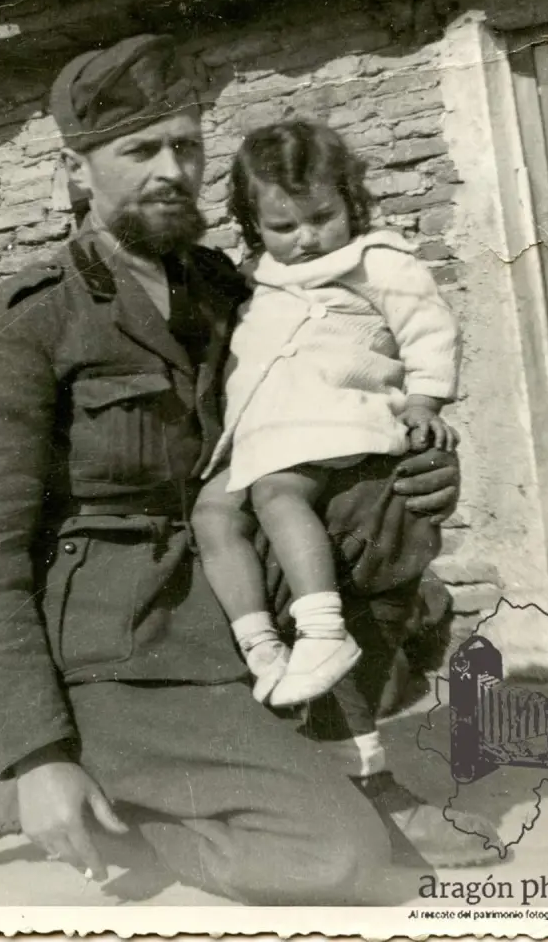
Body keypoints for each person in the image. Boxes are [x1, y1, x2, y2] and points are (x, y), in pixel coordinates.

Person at [0, 34, 495, 898]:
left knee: (369, 504)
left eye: (186, 145)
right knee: (328, 857)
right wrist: (34, 748)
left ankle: (357, 769)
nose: (172, 170)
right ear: (77, 169)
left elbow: (323, 412)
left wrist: (421, 474)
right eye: (139, 149)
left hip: (228, 607)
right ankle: (13, 785)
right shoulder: (23, 324)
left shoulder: (234, 289)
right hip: (122, 643)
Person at [191, 119, 460, 708]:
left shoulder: (377, 261)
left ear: (351, 202)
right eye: (283, 226)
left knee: (278, 495)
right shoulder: (256, 277)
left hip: (337, 416)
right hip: (265, 432)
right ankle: (260, 643)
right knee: (212, 512)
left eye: (322, 218)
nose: (307, 239)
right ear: (255, 226)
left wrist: (424, 400)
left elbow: (428, 330)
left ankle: (321, 631)